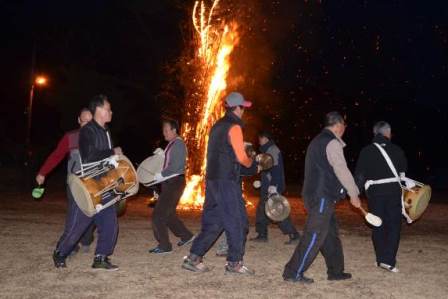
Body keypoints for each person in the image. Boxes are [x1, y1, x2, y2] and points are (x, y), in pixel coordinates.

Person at [283, 111, 361, 284]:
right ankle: (293, 272)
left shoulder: (317, 141)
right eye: (344, 126)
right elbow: (341, 169)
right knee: (314, 235)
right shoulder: (331, 143)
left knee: (330, 234)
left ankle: (336, 271)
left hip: (317, 195)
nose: (345, 130)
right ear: (339, 125)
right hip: (322, 196)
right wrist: (353, 193)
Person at [182, 92, 254, 275]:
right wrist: (253, 162)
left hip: (212, 180)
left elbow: (221, 151)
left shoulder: (217, 126)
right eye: (243, 107)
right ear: (237, 108)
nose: (244, 111)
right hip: (227, 181)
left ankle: (193, 258)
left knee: (215, 221)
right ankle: (234, 263)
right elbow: (241, 157)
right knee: (237, 220)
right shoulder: (234, 127)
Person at [52, 94, 123, 271]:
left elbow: (107, 159)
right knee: (78, 225)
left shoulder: (105, 131)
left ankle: (100, 257)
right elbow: (89, 156)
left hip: (104, 184)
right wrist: (111, 152)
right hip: (87, 185)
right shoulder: (87, 131)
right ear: (98, 110)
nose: (111, 112)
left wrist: (116, 174)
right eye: (108, 108)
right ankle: (60, 252)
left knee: (110, 223)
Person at [36, 108, 95, 254]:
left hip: (93, 183)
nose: (87, 125)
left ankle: (86, 239)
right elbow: (56, 156)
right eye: (84, 121)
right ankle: (70, 245)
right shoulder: (70, 137)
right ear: (78, 120)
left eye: (90, 121)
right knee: (73, 214)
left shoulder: (99, 137)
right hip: (74, 182)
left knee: (90, 213)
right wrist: (43, 172)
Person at [355, 121, 408, 273]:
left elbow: (360, 175)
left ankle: (380, 259)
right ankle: (388, 260)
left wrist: (355, 193)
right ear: (388, 133)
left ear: (375, 133)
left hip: (375, 193)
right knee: (394, 226)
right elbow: (402, 175)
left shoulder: (366, 151)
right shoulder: (398, 150)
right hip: (393, 192)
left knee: (378, 225)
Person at [149, 119, 194, 254]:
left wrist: (161, 175)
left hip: (174, 182)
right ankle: (187, 236)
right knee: (168, 214)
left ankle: (164, 245)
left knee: (158, 214)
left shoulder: (178, 144)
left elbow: (175, 166)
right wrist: (162, 156)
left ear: (174, 130)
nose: (164, 133)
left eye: (166, 130)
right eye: (163, 130)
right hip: (172, 182)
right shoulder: (173, 144)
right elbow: (171, 162)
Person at [250, 131, 300, 244]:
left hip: (273, 186)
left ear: (266, 138)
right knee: (262, 209)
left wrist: (273, 186)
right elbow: (266, 170)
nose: (259, 141)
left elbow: (276, 170)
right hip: (268, 186)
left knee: (277, 211)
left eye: (260, 139)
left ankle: (294, 235)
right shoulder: (267, 151)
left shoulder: (273, 150)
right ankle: (262, 234)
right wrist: (262, 183)